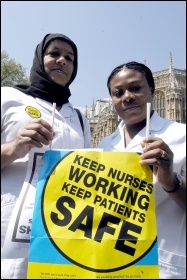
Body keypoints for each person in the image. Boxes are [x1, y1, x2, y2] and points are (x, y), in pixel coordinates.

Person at [1, 33, 92, 279]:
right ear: (40, 59)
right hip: (7, 230)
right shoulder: (8, 98)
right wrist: (13, 148)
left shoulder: (80, 119)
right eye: (54, 53)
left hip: (59, 234)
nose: (62, 60)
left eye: (69, 58)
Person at [98, 61, 186, 279]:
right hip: (109, 262)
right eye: (118, 92)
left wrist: (169, 181)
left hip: (164, 265)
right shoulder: (103, 146)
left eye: (135, 88)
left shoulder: (181, 135)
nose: (127, 96)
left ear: (153, 91)